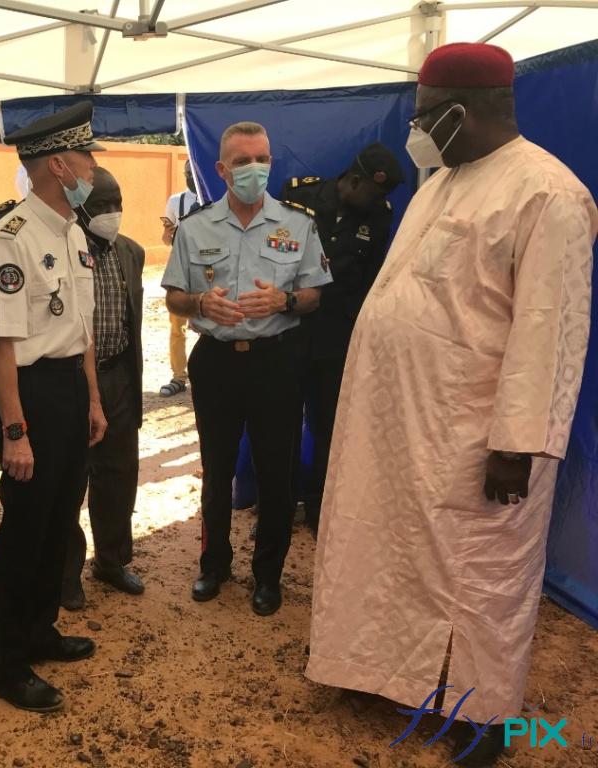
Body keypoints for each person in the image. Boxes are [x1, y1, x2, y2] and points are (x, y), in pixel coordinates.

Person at [306, 42, 597, 767]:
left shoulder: (546, 193)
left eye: (426, 116)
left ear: (465, 111)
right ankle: (373, 669)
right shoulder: (443, 178)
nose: (418, 130)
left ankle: (484, 714)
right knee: (384, 549)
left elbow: (549, 328)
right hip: (398, 419)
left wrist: (519, 441)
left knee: (477, 576)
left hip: (473, 432)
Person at [162, 121, 331, 616]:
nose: (254, 169)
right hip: (215, 362)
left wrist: (286, 298)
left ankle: (268, 576)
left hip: (276, 362)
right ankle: (213, 566)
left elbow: (316, 293)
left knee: (276, 473)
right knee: (215, 472)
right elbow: (173, 297)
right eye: (242, 161)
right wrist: (200, 303)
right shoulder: (195, 228)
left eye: (262, 160)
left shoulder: (298, 224)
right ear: (221, 169)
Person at [0, 102, 108, 712]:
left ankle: (39, 629)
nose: (92, 168)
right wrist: (15, 430)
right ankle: (4, 661)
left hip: (69, 391)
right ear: (59, 163)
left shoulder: (73, 231)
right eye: (85, 157)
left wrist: (93, 399)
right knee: (24, 530)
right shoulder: (11, 240)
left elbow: (78, 330)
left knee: (59, 521)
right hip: (29, 395)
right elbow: (0, 344)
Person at [281, 143, 402, 536]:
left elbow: (369, 282)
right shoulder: (298, 195)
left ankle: (320, 512)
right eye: (374, 192)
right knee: (280, 428)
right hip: (288, 332)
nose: (378, 201)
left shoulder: (379, 218)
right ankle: (277, 511)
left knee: (328, 429)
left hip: (335, 341)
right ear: (353, 181)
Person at [61, 166, 147, 610]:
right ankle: (66, 572)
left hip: (118, 377)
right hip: (73, 379)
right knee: (72, 477)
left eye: (117, 206)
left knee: (118, 475)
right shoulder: (63, 250)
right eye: (101, 207)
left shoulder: (131, 252)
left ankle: (112, 561)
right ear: (79, 208)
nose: (112, 214)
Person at [159, 159, 200, 397]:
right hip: (180, 270)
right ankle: (178, 376)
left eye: (193, 172)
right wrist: (170, 235)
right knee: (177, 327)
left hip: (206, 269)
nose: (190, 177)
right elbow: (165, 239)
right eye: (187, 173)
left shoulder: (213, 197)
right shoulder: (177, 201)